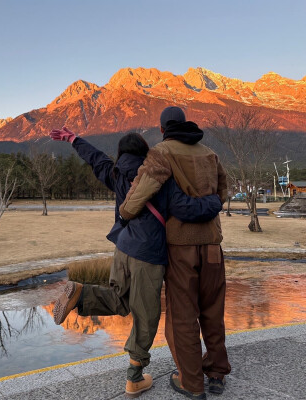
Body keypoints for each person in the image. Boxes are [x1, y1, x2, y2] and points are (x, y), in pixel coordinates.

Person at [49, 126, 222, 398]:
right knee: (146, 317)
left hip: (122, 249)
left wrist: (73, 139)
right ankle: (135, 378)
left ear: (121, 153)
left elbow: (95, 158)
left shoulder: (114, 172)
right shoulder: (156, 175)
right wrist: (214, 201)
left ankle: (83, 294)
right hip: (148, 255)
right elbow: (184, 207)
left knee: (121, 300)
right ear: (145, 152)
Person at [119, 106, 231, 399]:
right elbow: (224, 189)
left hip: (181, 247)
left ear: (162, 129)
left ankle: (191, 383)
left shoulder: (161, 152)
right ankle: (217, 372)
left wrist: (125, 212)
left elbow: (140, 193)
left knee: (183, 317)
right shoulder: (209, 153)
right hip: (213, 245)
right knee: (213, 312)